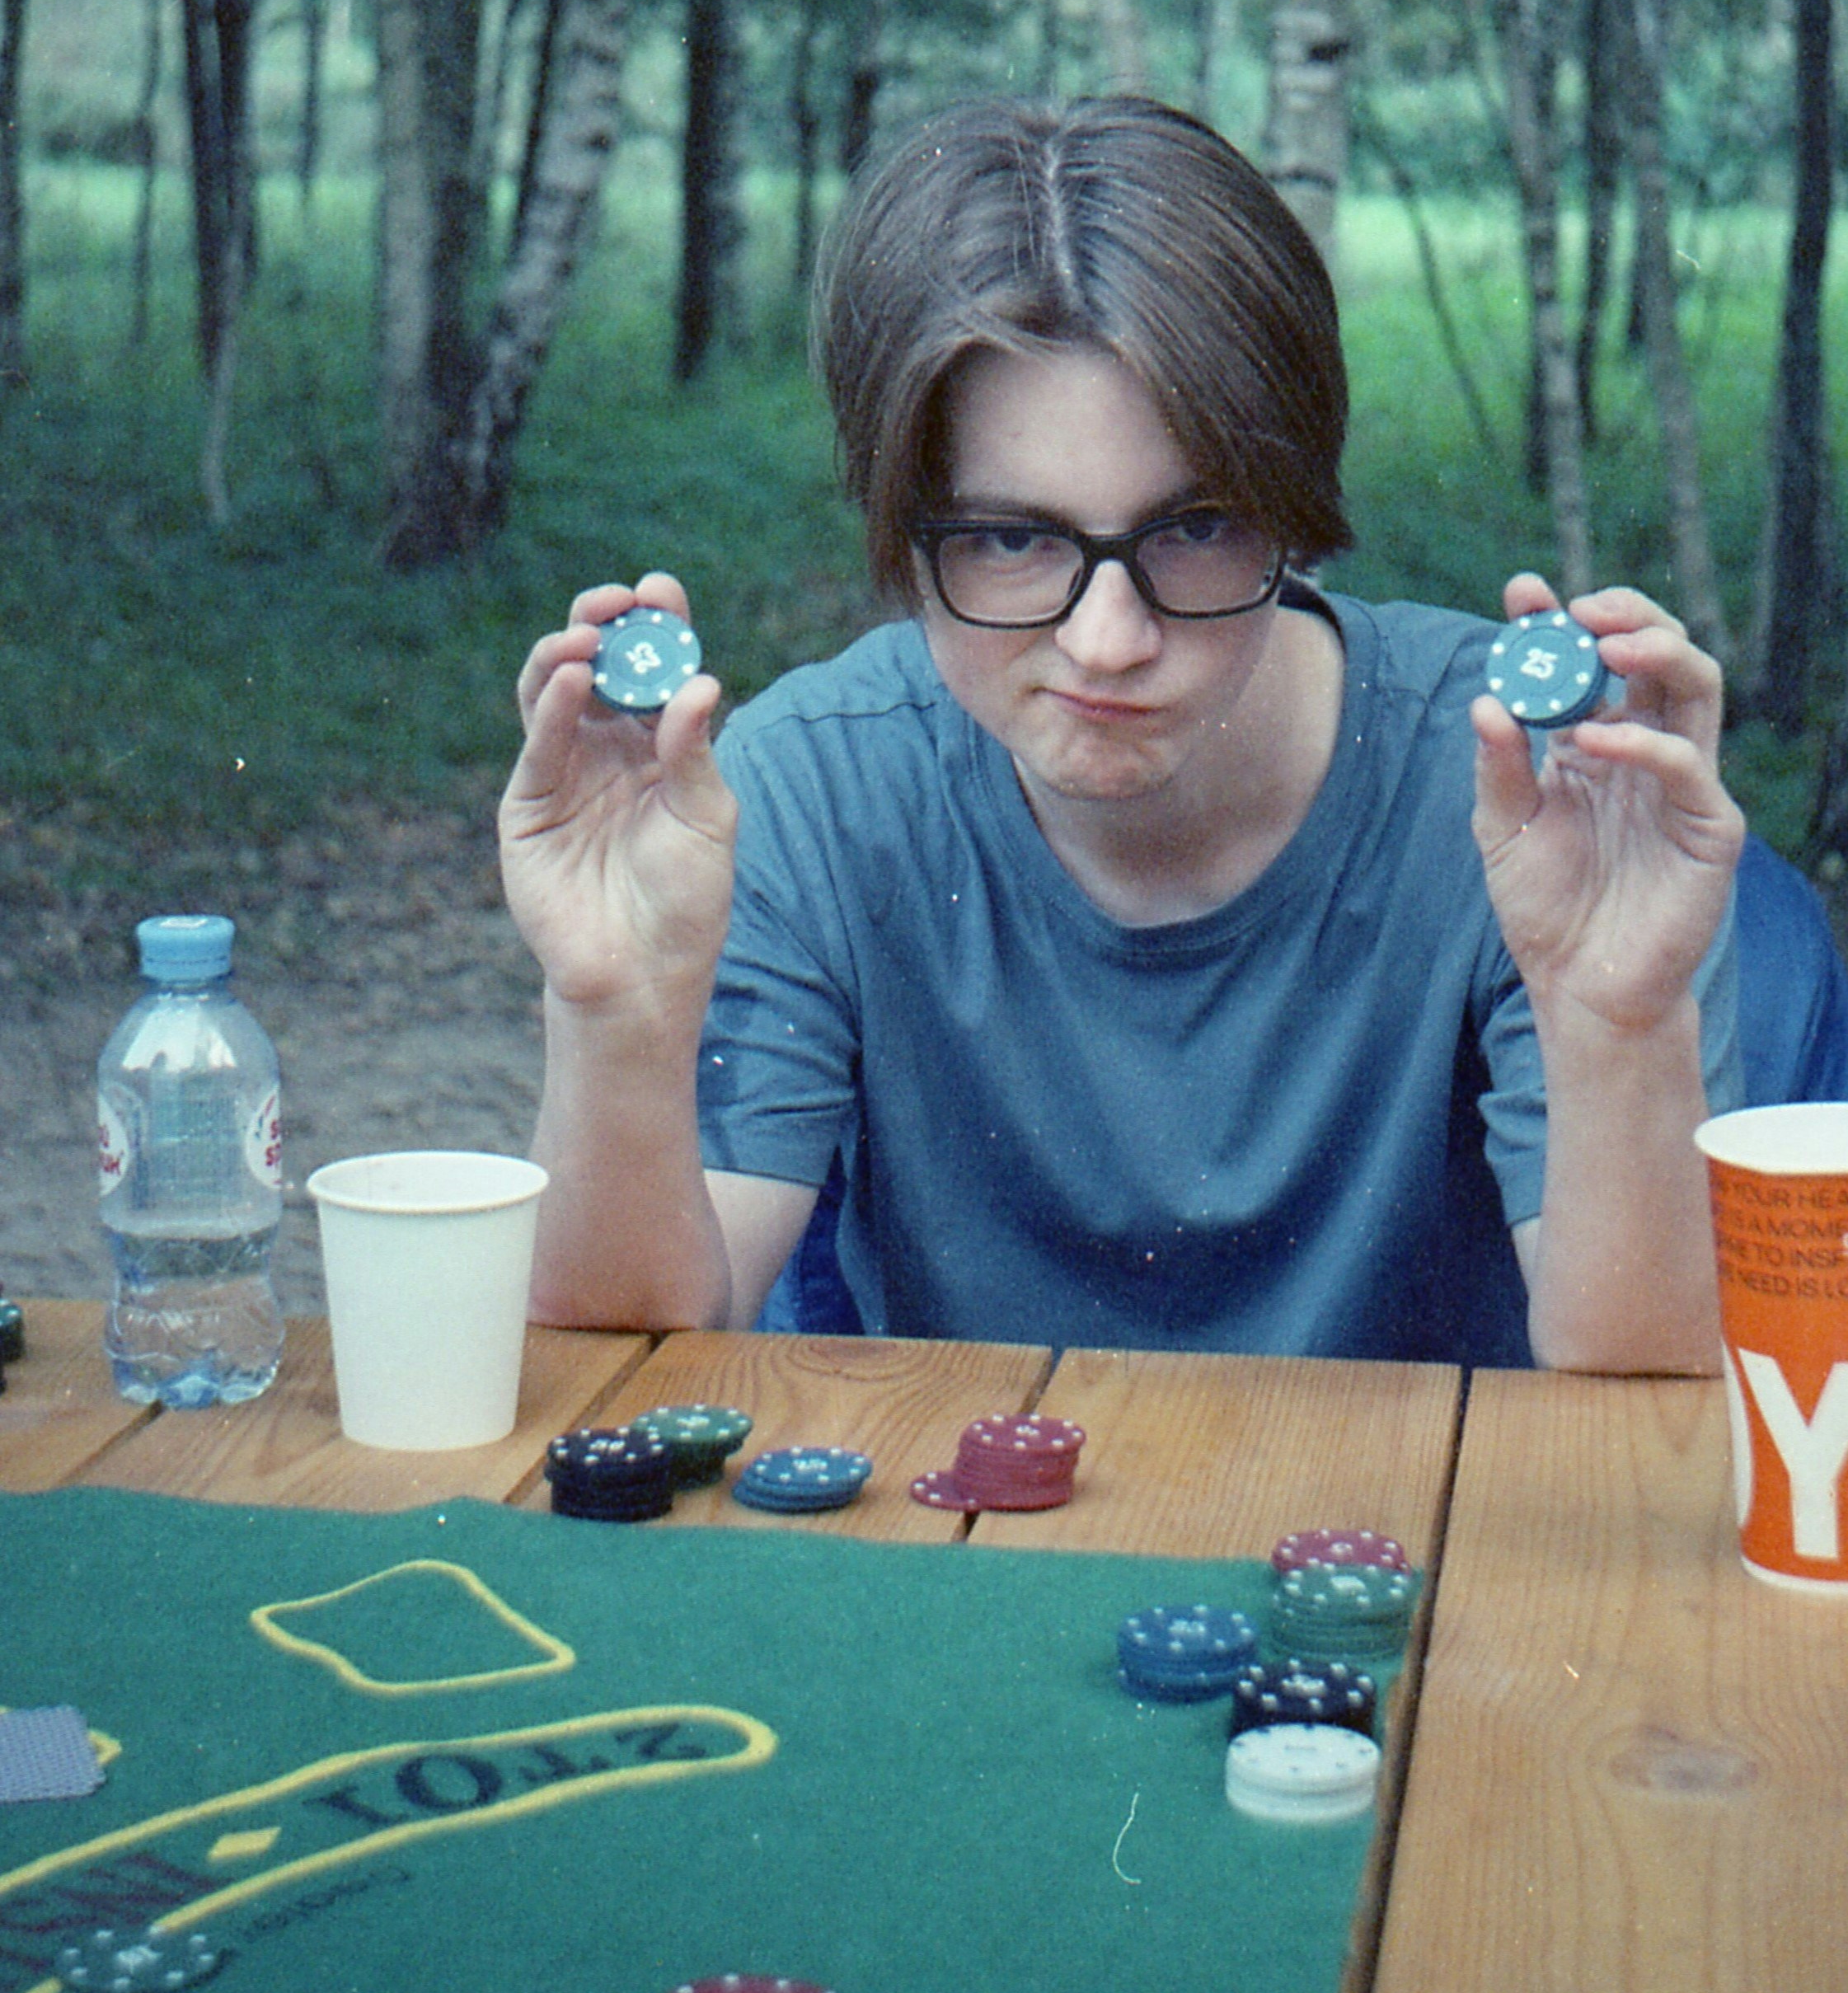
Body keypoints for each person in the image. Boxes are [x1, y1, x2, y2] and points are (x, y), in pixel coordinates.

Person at [500, 95, 1747, 1371]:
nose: (1106, 641)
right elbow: (633, 1362)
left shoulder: (1523, 789)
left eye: (1194, 529)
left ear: (1293, 510)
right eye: (1012, 539)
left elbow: (1652, 1408)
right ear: (902, 530)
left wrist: (1622, 1032)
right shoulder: (814, 789)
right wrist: (612, 1015)